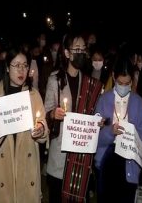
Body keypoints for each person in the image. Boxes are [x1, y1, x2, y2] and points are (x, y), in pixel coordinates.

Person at [0, 46, 48, 203]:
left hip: (27, 165)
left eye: (25, 65)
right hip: (3, 167)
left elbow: (43, 125)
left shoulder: (34, 95)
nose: (21, 70)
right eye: (16, 65)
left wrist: (41, 130)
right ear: (6, 67)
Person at [45, 32, 102, 202]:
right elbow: (46, 111)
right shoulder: (55, 79)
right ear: (67, 53)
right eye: (76, 49)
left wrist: (98, 120)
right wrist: (52, 114)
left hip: (81, 154)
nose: (81, 53)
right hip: (60, 154)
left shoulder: (89, 82)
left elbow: (94, 113)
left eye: (83, 49)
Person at [94, 56, 142, 202]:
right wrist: (109, 132)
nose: (123, 86)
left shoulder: (137, 102)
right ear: (113, 76)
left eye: (127, 83)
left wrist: (133, 134)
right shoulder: (103, 100)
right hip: (107, 162)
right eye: (120, 83)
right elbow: (94, 137)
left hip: (129, 163)